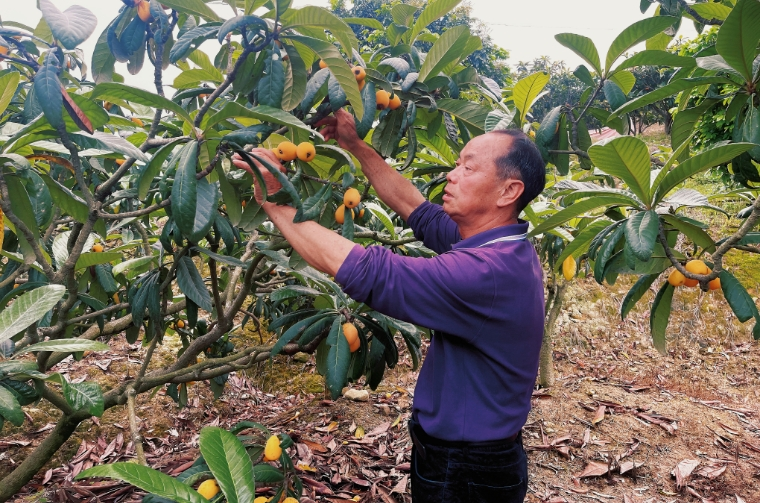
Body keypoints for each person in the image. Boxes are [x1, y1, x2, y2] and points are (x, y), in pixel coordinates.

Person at [232, 108, 546, 503]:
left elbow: (367, 271)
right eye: (456, 164)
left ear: (508, 192)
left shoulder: (485, 275)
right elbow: (415, 207)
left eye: (469, 168)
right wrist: (354, 144)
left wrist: (275, 201)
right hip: (475, 454)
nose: (451, 174)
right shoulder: (500, 243)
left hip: (468, 468)